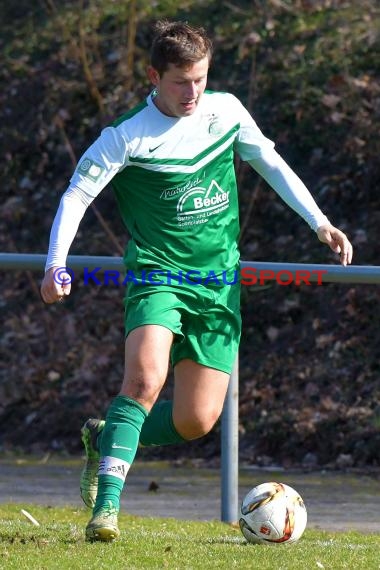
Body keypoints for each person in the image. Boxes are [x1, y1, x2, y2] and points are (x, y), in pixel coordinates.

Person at [40, 20, 353, 542]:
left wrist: (318, 222)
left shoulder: (225, 112)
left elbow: (270, 162)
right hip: (157, 275)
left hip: (218, 284)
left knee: (196, 420)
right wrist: (56, 263)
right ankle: (106, 512)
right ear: (153, 76)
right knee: (143, 381)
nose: (193, 93)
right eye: (181, 81)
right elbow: (76, 197)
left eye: (201, 79)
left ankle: (105, 437)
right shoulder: (126, 136)